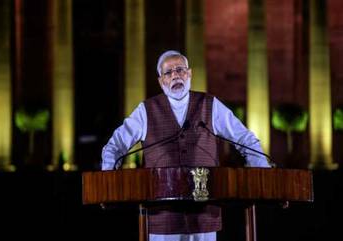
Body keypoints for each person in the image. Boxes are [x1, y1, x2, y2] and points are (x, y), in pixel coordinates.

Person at [101, 50, 271, 241]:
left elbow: (245, 140)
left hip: (204, 214)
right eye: (168, 72)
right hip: (162, 219)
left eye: (180, 69)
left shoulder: (210, 104)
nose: (175, 75)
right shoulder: (146, 111)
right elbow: (114, 147)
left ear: (189, 74)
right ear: (161, 81)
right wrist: (109, 179)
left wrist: (262, 174)